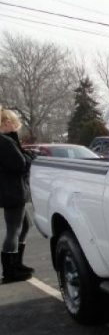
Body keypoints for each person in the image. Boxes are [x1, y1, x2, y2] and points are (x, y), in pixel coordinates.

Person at [0, 107, 34, 283]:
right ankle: (10, 271)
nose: (15, 126)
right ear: (6, 123)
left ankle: (17, 264)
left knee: (25, 226)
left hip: (11, 190)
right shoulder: (5, 141)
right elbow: (19, 164)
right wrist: (28, 158)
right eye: (12, 122)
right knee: (13, 230)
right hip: (12, 191)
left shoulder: (7, 141)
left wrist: (24, 154)